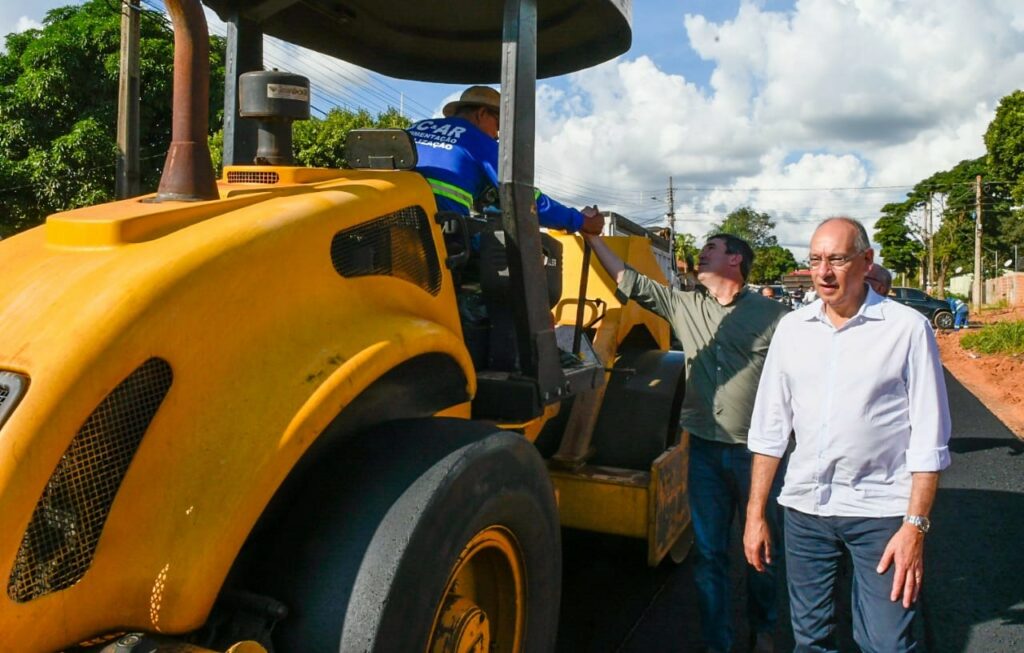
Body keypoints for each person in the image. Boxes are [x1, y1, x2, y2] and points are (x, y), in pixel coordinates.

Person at [743, 217, 951, 653]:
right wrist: (755, 513)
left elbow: (929, 440)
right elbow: (770, 429)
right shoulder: (792, 330)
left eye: (837, 259)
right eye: (816, 259)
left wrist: (914, 527)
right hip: (805, 513)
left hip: (880, 514)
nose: (824, 272)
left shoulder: (906, 328)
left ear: (866, 261)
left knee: (887, 643)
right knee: (811, 640)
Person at [583, 229, 789, 653]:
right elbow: (631, 281)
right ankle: (718, 643)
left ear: (735, 261)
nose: (701, 253)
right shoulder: (685, 305)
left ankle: (763, 627)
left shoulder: (775, 317)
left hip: (756, 455)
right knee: (710, 555)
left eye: (711, 248)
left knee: (760, 549)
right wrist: (591, 238)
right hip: (704, 452)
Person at [407, 85, 603, 234]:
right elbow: (523, 198)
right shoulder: (480, 141)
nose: (497, 135)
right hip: (440, 239)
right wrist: (581, 221)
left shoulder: (417, 128)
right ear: (481, 113)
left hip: (394, 231)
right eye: (498, 125)